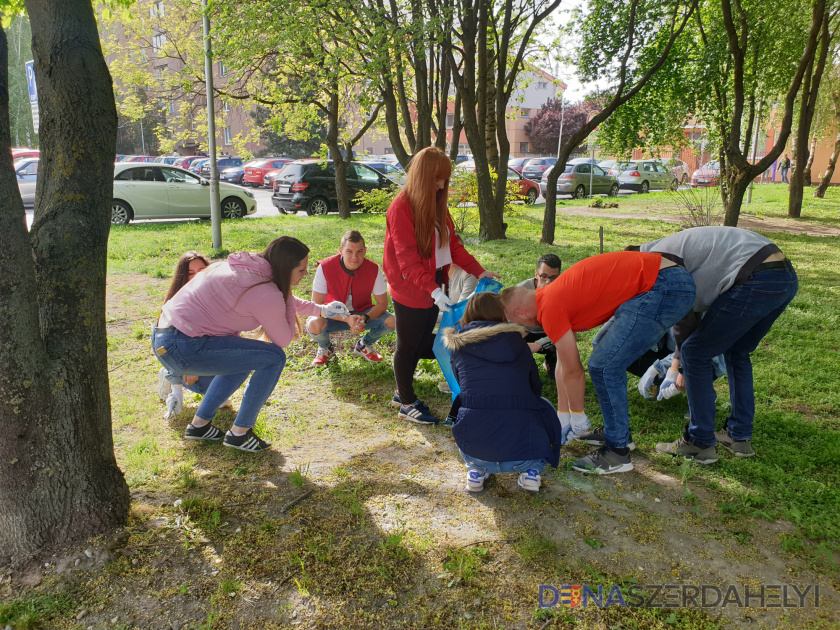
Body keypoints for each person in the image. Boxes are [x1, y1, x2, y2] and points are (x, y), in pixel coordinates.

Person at [501, 251, 695, 474]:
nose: (521, 326)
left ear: (521, 312)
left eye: (515, 321)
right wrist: (563, 414)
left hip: (662, 284)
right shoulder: (551, 297)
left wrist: (579, 415)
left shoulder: (549, 307)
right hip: (664, 280)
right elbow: (564, 363)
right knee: (606, 363)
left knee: (604, 366)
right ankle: (618, 434)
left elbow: (575, 371)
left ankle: (617, 451)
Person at [152, 236, 350, 452]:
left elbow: (277, 302)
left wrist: (320, 309)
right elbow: (283, 338)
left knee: (245, 356)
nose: (306, 274)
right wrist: (288, 293)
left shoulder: (250, 272)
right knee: (273, 358)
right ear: (285, 268)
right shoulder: (263, 289)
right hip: (183, 345)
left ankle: (199, 426)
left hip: (167, 338)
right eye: (301, 269)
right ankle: (240, 433)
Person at [634, 227, 798, 463]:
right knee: (737, 351)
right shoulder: (667, 250)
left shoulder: (658, 263)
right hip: (784, 277)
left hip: (754, 278)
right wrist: (676, 366)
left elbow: (684, 317)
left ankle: (699, 442)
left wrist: (676, 367)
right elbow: (691, 314)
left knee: (696, 353)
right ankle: (738, 435)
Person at [383, 146, 500, 425]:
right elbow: (408, 262)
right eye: (437, 179)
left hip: (435, 282)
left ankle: (403, 391)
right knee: (408, 345)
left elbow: (453, 247)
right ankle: (406, 402)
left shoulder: (437, 205)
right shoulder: (401, 208)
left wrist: (480, 271)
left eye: (444, 180)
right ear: (422, 176)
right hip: (411, 286)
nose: (441, 185)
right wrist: (433, 291)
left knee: (423, 339)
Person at [442, 293, 564, 492]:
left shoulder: (458, 347)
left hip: (477, 451)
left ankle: (476, 471)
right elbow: (535, 386)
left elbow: (463, 386)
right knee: (544, 405)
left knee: (465, 407)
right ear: (501, 314)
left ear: (468, 315)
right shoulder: (518, 344)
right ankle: (531, 472)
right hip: (523, 456)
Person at [305, 230, 395, 366]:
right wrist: (347, 319)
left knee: (392, 321)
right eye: (349, 251)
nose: (355, 257)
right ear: (341, 250)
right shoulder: (325, 267)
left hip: (362, 314)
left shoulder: (373, 269)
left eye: (359, 251)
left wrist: (366, 318)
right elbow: (316, 305)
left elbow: (382, 303)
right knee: (314, 324)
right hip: (332, 315)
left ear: (365, 251)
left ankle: (364, 345)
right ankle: (325, 348)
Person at [156, 251, 222, 419]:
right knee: (206, 385)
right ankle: (171, 377)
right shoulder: (177, 301)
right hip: (182, 354)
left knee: (235, 370)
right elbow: (168, 346)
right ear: (182, 277)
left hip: (206, 351)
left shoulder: (217, 295)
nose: (197, 276)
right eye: (190, 273)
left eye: (201, 270)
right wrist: (189, 367)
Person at [516, 253, 562, 380]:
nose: (548, 282)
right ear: (536, 274)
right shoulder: (521, 291)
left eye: (553, 278)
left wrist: (539, 344)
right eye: (544, 276)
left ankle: (551, 362)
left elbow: (565, 332)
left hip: (550, 334)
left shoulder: (564, 293)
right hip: (523, 332)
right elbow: (508, 324)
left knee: (557, 376)